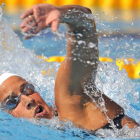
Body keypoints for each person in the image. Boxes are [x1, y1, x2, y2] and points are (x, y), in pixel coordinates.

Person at [0, 4, 139, 131]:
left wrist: (61, 13)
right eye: (11, 102)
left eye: (27, 89)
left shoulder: (69, 101)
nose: (28, 100)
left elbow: (84, 26)